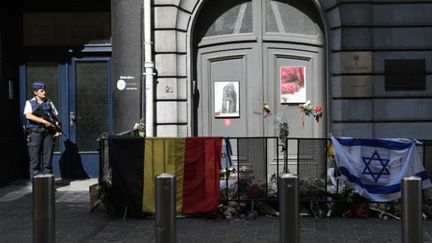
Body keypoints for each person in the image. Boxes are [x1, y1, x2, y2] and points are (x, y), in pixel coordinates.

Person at [23, 82, 62, 179]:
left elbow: (55, 117)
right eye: (42, 91)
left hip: (48, 133)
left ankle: (48, 185)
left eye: (44, 90)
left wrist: (57, 128)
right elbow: (28, 115)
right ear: (35, 92)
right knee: (35, 160)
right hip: (35, 132)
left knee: (47, 161)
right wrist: (43, 121)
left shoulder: (49, 103)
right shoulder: (29, 102)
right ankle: (36, 187)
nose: (44, 92)